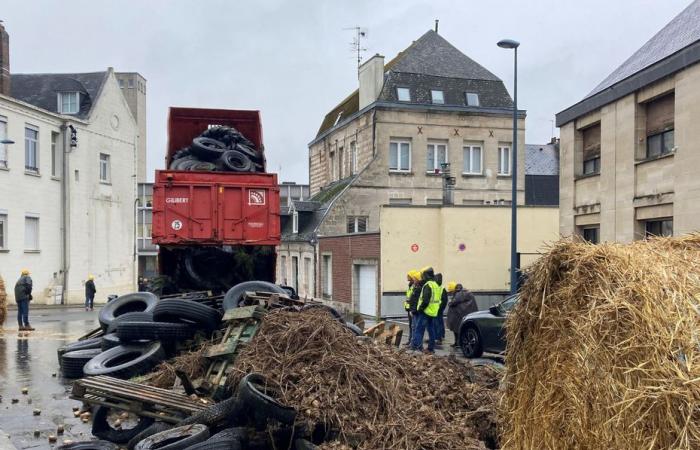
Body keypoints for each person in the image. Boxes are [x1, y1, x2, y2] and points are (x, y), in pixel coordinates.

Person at [410, 267, 441, 354]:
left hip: (425, 311)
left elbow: (426, 300)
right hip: (433, 311)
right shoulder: (435, 285)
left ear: (426, 275)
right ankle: (431, 348)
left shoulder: (428, 285)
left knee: (419, 329)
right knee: (431, 330)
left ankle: (417, 348)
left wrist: (420, 309)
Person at [403, 270, 422, 346]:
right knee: (411, 326)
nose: (407, 277)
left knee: (413, 326)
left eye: (409, 275)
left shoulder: (414, 286)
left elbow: (414, 298)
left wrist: (411, 308)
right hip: (409, 308)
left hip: (412, 309)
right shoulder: (411, 285)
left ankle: (412, 342)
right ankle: (410, 340)